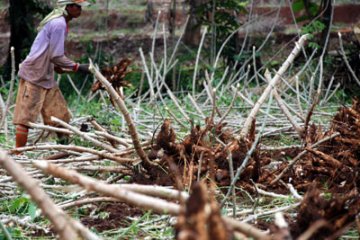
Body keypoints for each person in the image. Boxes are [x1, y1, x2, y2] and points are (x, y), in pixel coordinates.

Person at [13, 0, 91, 151]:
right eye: (78, 6)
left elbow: (48, 52)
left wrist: (57, 67)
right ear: (68, 7)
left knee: (61, 117)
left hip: (46, 76)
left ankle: (65, 152)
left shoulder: (60, 23)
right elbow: (56, 55)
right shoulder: (58, 24)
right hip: (34, 75)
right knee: (25, 119)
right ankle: (18, 156)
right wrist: (77, 67)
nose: (80, 10)